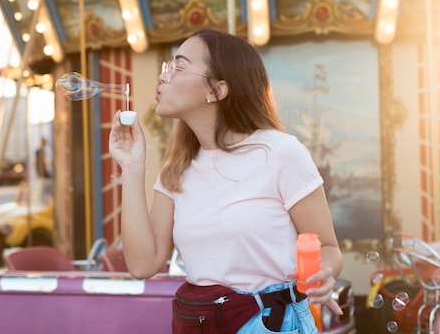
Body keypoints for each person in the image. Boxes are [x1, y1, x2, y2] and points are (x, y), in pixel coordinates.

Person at [109, 28, 343, 333]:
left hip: (271, 324)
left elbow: (328, 247)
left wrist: (323, 273)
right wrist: (132, 166)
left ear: (217, 90)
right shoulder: (177, 166)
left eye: (179, 67)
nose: (164, 78)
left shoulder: (282, 153)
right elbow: (143, 264)